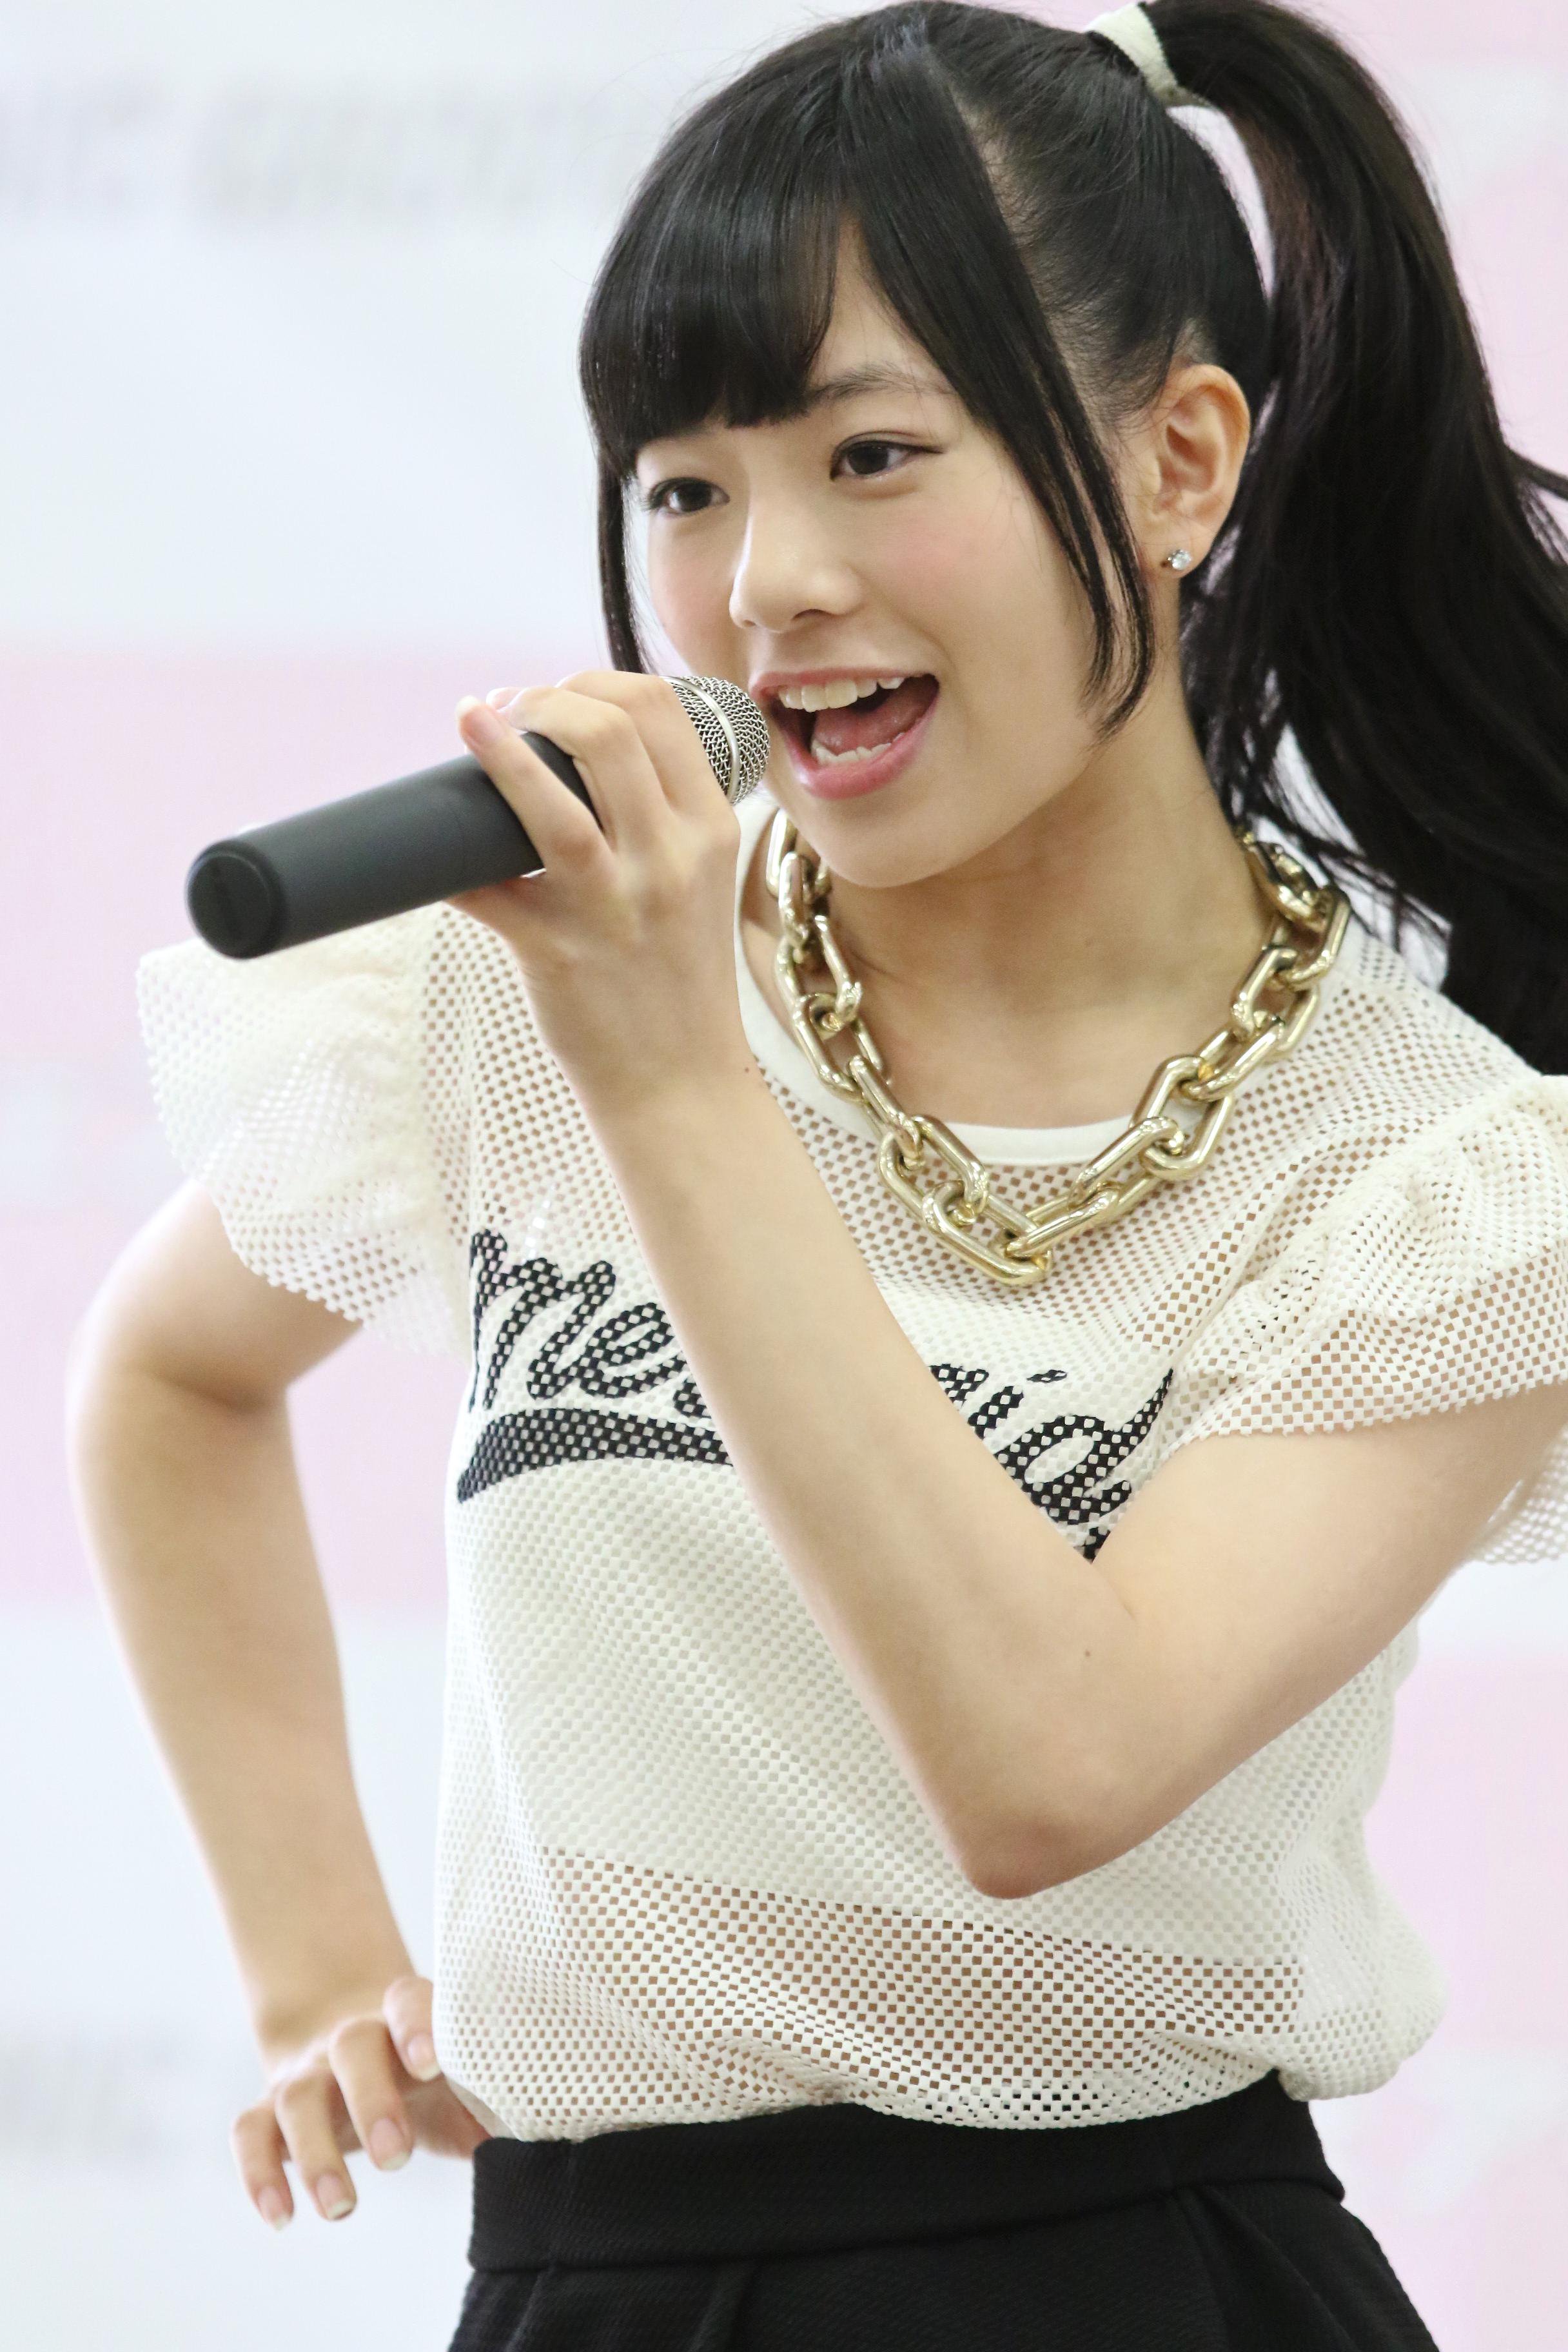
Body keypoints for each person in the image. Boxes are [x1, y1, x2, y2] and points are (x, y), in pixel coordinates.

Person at [66, 1, 1568, 2344]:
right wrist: (313, 1953)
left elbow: (1046, 1769)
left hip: (1129, 2280)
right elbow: (169, 1381)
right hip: (587, 2286)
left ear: (1182, 462)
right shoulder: (539, 987)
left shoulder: (1442, 1180)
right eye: (685, 488)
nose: (766, 582)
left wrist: (675, 1078)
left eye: (873, 456)